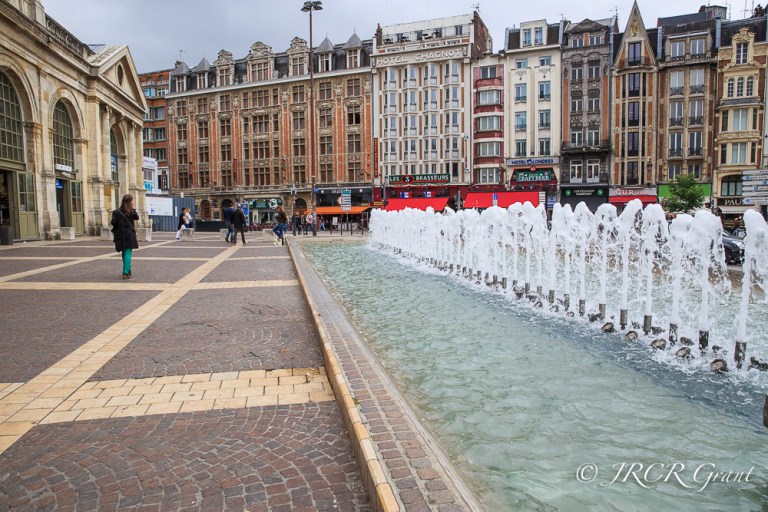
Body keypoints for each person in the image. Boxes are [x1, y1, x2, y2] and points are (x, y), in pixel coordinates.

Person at [111, 194, 139, 280]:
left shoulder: (116, 212)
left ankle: (127, 269)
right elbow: (137, 217)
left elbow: (113, 222)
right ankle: (125, 272)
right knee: (128, 252)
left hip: (120, 235)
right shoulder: (131, 211)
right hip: (129, 234)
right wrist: (133, 209)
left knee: (124, 252)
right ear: (130, 202)